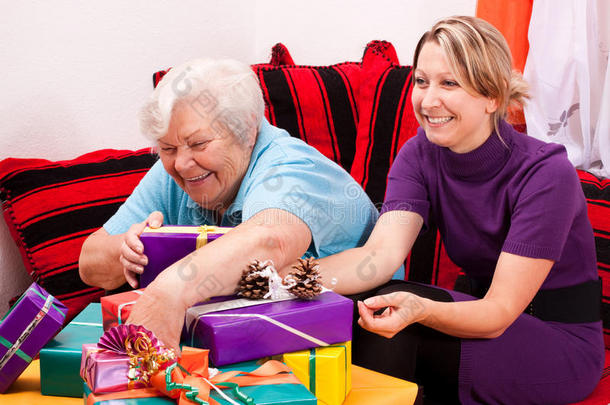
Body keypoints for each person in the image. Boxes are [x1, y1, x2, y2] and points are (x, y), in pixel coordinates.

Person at [314, 16, 604, 404]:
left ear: (493, 97)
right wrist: (281, 280)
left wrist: (418, 308)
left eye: (449, 83)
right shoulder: (419, 154)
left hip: (555, 341)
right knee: (367, 304)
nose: (428, 100)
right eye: (421, 81)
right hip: (476, 317)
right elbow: (377, 257)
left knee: (395, 317)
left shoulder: (546, 173)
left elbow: (499, 312)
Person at [78, 58, 380, 353]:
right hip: (239, 333)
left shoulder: (289, 165)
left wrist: (168, 293)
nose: (181, 164)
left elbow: (270, 240)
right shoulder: (175, 169)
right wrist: (129, 249)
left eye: (199, 144)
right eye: (167, 148)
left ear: (247, 129)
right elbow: (89, 264)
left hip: (359, 334)